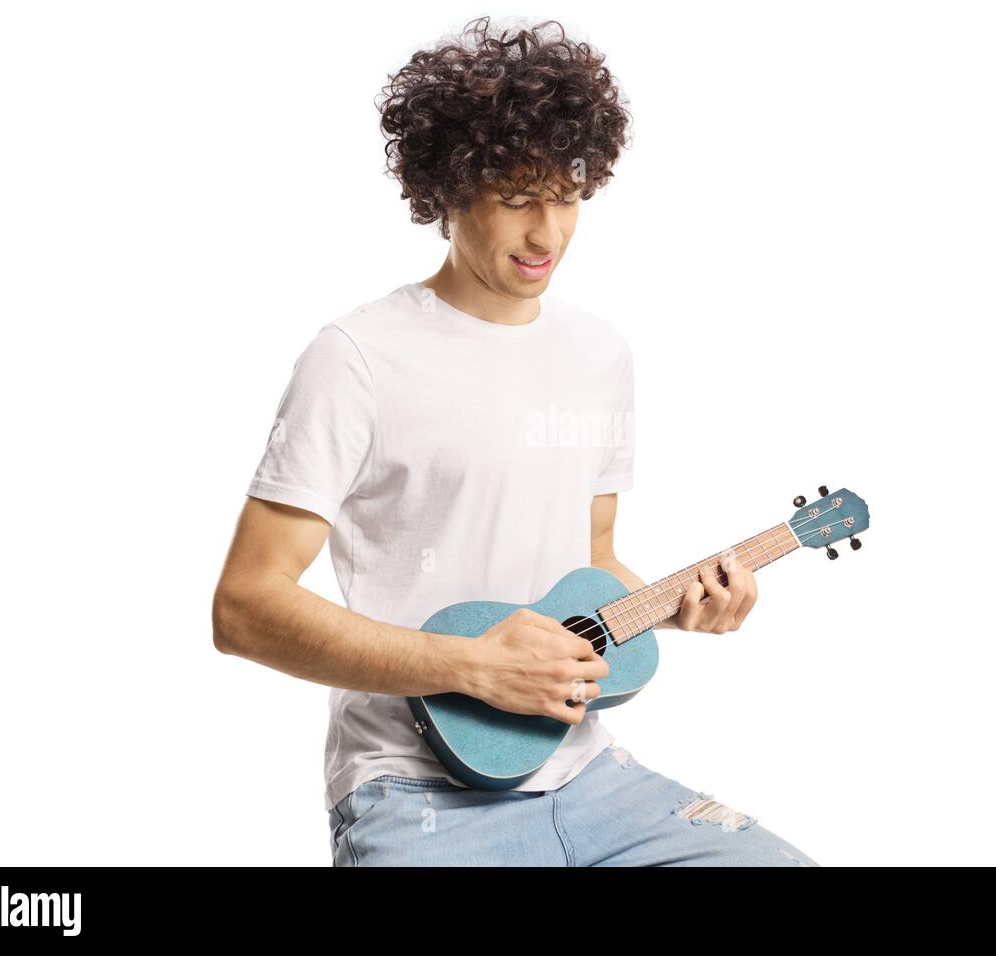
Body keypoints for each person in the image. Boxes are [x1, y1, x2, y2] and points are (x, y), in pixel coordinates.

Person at [212, 16, 820, 867]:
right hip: (411, 788)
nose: (547, 235)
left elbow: (594, 559)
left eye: (566, 196)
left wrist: (683, 607)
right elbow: (244, 607)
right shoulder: (354, 359)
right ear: (451, 190)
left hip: (589, 775)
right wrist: (469, 667)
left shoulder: (601, 355)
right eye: (516, 199)